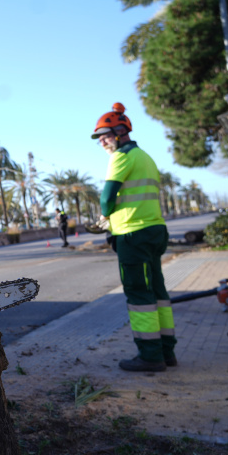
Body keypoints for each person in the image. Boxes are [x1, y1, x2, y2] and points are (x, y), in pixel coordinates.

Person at [91, 102, 175, 372]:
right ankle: (167, 351)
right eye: (99, 138)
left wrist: (107, 217)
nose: (102, 141)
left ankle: (150, 357)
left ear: (118, 132)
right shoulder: (145, 157)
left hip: (132, 234)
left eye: (104, 135)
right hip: (155, 231)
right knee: (158, 292)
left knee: (139, 294)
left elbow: (106, 199)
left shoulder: (121, 157)